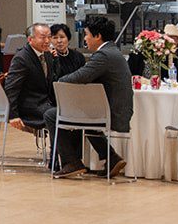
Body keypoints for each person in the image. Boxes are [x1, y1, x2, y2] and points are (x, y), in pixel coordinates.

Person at [49, 15, 134, 179]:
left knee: (52, 114)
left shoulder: (103, 56)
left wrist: (59, 81)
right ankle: (111, 158)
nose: (85, 38)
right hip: (118, 110)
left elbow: (79, 76)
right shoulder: (112, 51)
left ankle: (71, 162)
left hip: (112, 114)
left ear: (97, 36)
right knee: (81, 116)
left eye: (87, 34)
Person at [2, 23, 56, 131]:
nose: (47, 41)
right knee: (59, 118)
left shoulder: (47, 55)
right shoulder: (22, 58)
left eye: (49, 37)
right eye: (42, 37)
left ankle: (60, 148)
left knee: (72, 115)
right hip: (30, 108)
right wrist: (12, 115)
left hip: (46, 103)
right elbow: (11, 88)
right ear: (30, 39)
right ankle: (57, 148)